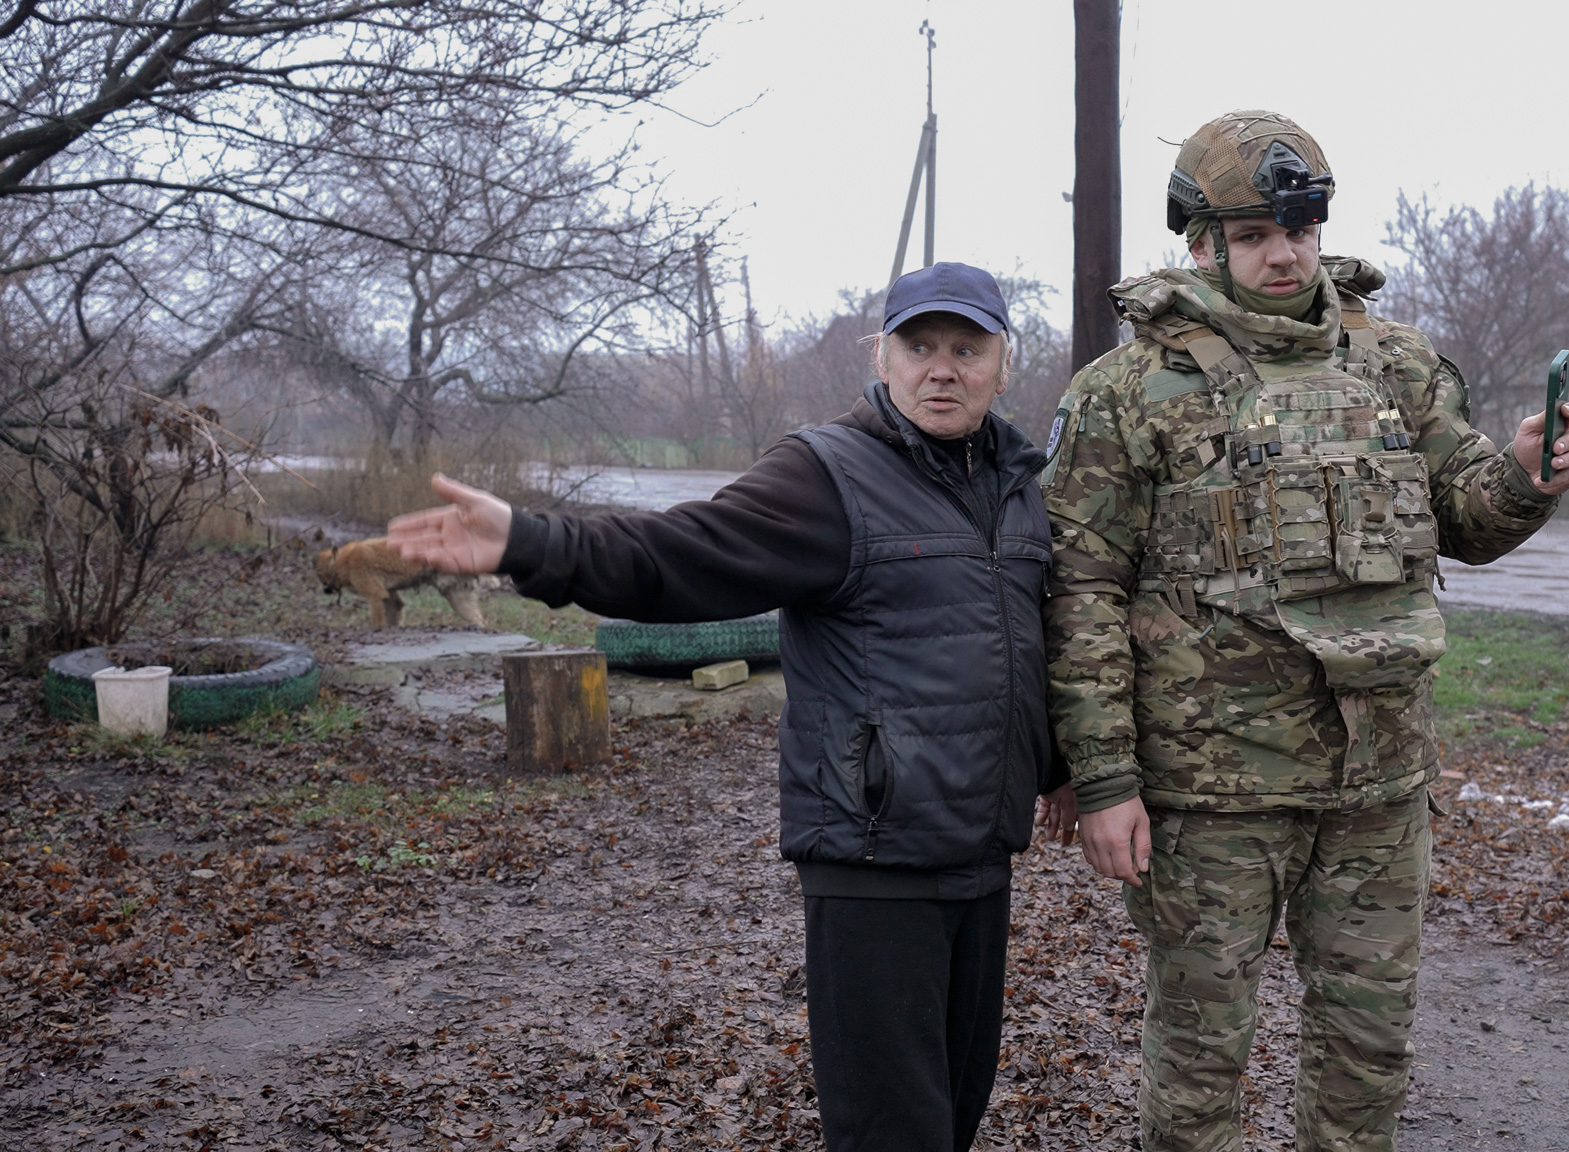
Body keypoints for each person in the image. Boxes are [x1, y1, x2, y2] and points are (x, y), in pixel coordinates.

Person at [387, 261, 1079, 1152]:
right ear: (882, 355)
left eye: (966, 349)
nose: (942, 369)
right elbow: (679, 553)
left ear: (1003, 364)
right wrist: (532, 542)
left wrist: (1058, 766)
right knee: (891, 1133)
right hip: (875, 861)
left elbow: (1023, 642)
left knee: (954, 1115)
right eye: (919, 347)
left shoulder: (1019, 485)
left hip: (984, 858)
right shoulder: (829, 475)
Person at [1040, 110, 1569, 1152]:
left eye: (1297, 228)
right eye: (1252, 235)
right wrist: (1103, 779)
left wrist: (1524, 478)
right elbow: (1081, 592)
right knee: (1200, 1061)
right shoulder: (1127, 393)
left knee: (1366, 1051)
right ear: (1199, 244)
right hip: (1211, 797)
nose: (1283, 254)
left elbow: (1466, 518)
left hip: (1377, 786)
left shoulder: (1394, 366)